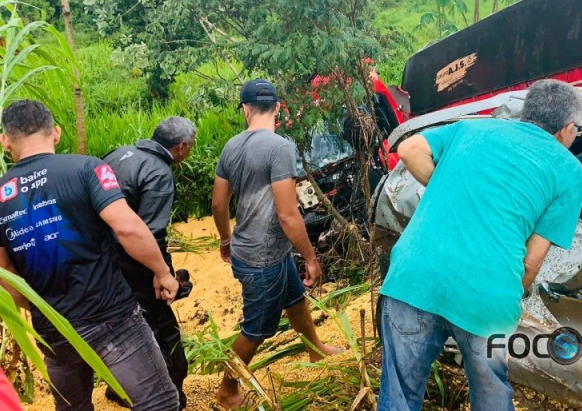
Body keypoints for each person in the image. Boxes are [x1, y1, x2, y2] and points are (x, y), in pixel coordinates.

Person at [378, 80, 582, 411]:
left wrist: (448, 191)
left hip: (412, 278)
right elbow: (532, 263)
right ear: (568, 128)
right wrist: (504, 297)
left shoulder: (473, 129)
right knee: (491, 397)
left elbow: (408, 149)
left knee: (399, 398)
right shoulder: (570, 170)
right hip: (487, 299)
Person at [0, 100, 179, 411]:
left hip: (54, 327)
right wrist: (162, 272)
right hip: (112, 315)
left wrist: (32, 308)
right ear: (55, 132)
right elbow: (128, 228)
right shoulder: (86, 168)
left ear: (5, 140)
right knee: (159, 403)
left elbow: (5, 271)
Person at [211, 79, 340, 409]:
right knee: (256, 328)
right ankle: (227, 390)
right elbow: (288, 214)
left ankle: (314, 349)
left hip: (255, 249)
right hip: (263, 258)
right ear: (278, 109)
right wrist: (311, 257)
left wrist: (226, 238)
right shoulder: (279, 148)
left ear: (245, 109)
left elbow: (218, 205)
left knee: (295, 299)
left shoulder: (231, 147)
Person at [103, 117, 197, 409]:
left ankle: (119, 387)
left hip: (99, 261)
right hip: (131, 263)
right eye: (190, 147)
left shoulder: (117, 155)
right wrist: (163, 274)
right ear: (180, 147)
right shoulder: (158, 173)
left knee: (119, 324)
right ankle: (171, 395)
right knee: (158, 325)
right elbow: (150, 234)